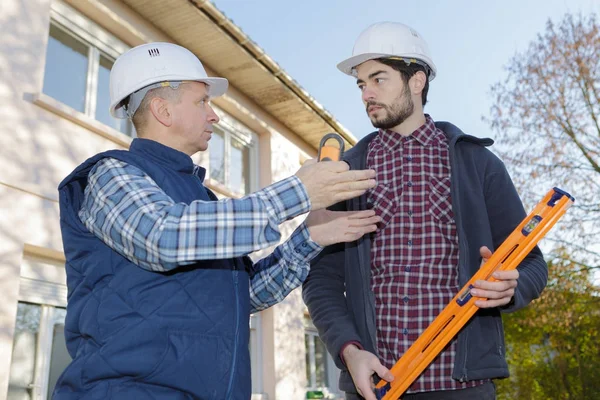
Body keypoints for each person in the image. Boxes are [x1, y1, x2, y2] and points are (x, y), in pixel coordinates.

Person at [53, 42, 380, 400]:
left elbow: (243, 295)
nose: (214, 116)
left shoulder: (200, 200)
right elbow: (162, 236)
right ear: (163, 110)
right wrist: (297, 192)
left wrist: (310, 237)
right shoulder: (111, 176)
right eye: (201, 102)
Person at [302, 22, 547, 400]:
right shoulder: (343, 175)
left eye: (378, 79)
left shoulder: (477, 164)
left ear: (416, 81)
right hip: (376, 386)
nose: (366, 93)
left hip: (462, 385)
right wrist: (349, 350)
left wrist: (510, 286)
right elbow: (320, 280)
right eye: (361, 84)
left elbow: (531, 263)